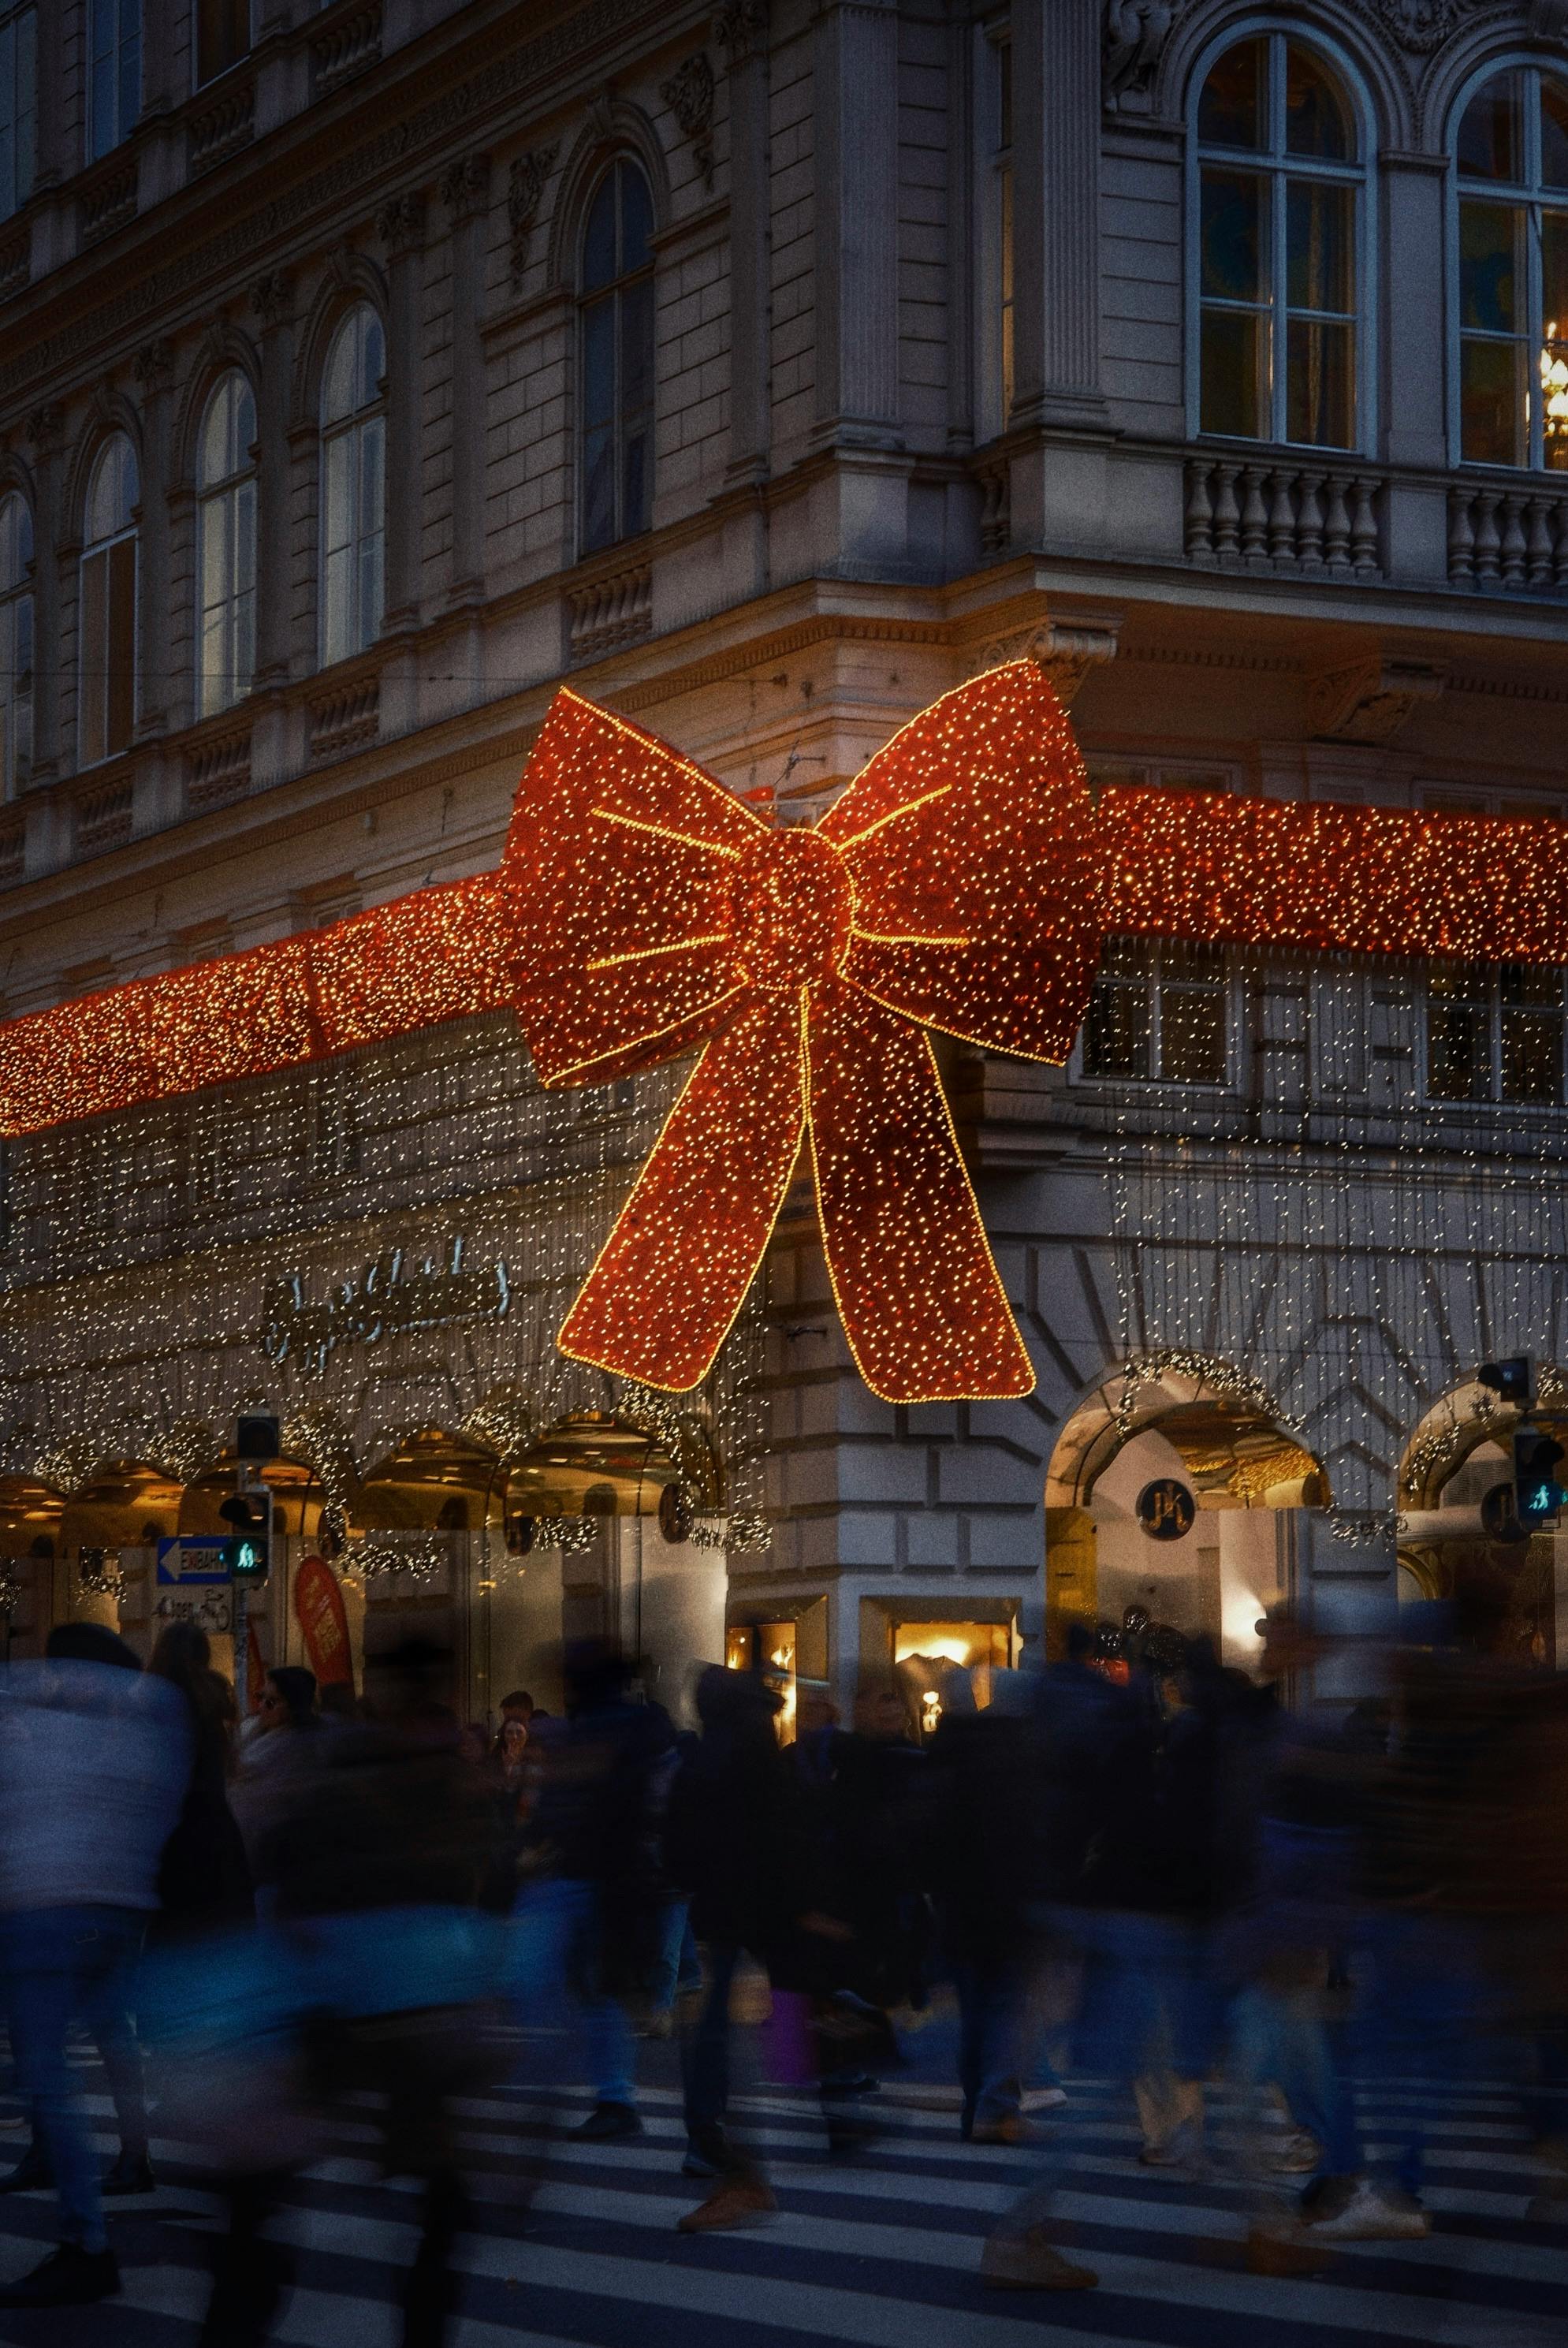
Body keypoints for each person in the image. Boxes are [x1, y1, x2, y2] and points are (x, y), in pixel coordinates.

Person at [0, 1623, 190, 2307]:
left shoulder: (36, 1719)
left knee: (48, 2077)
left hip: (43, 1912)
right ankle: (125, 2164)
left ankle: (85, 2239)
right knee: (113, 2042)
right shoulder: (151, 1726)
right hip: (119, 1910)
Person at [509, 1640, 674, 2141]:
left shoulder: (610, 1728)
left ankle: (602, 2095)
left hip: (595, 1876)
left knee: (545, 1979)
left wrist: (537, 1840)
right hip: (601, 1876)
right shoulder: (622, 1726)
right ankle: (610, 2095)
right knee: (589, 1989)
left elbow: (589, 1798)